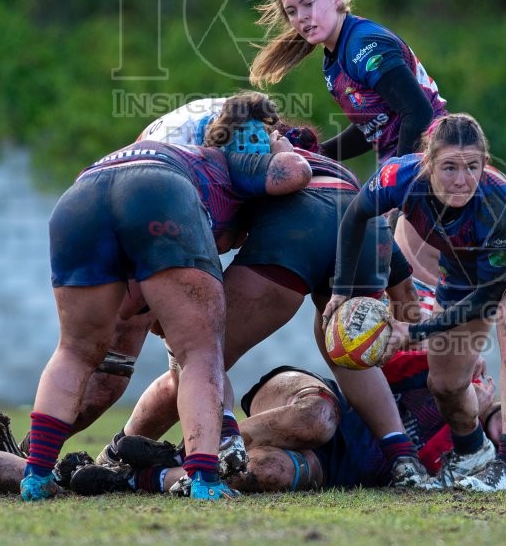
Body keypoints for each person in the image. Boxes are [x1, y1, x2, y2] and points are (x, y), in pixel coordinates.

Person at [96, 95, 430, 489]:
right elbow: (404, 294)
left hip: (299, 228)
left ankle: (163, 450)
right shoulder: (326, 162)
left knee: (199, 355)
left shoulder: (240, 157)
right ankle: (405, 461)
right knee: (347, 358)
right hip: (365, 225)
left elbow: (206, 240)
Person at [19, 113, 312, 501]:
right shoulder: (240, 155)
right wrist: (282, 149)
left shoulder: (180, 150)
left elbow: (126, 307)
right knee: (201, 352)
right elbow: (293, 172)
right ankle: (206, 480)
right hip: (159, 193)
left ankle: (35, 474)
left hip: (81, 194)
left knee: (74, 350)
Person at [324, 113, 506, 491]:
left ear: (485, 163)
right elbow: (356, 215)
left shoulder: (500, 207)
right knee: (445, 383)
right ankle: (471, 453)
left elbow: (488, 297)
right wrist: (342, 288)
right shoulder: (400, 178)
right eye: (450, 167)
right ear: (427, 162)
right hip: (464, 270)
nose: (462, 180)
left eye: (473, 167)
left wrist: (415, 330)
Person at [67, 352, 506, 495]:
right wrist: (452, 375)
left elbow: (434, 487)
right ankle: (188, 452)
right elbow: (365, 360)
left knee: (270, 474)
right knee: (321, 419)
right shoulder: (453, 368)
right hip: (313, 398)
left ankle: (142, 476)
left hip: (335, 470)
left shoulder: (481, 468)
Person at [250, 0, 447, 298]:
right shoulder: (333, 58)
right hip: (413, 166)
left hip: (431, 166)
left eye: (308, 3)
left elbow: (418, 114)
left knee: (416, 306)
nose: (301, 18)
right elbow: (376, 126)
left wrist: (396, 186)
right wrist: (320, 154)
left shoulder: (362, 46)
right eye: (292, 12)